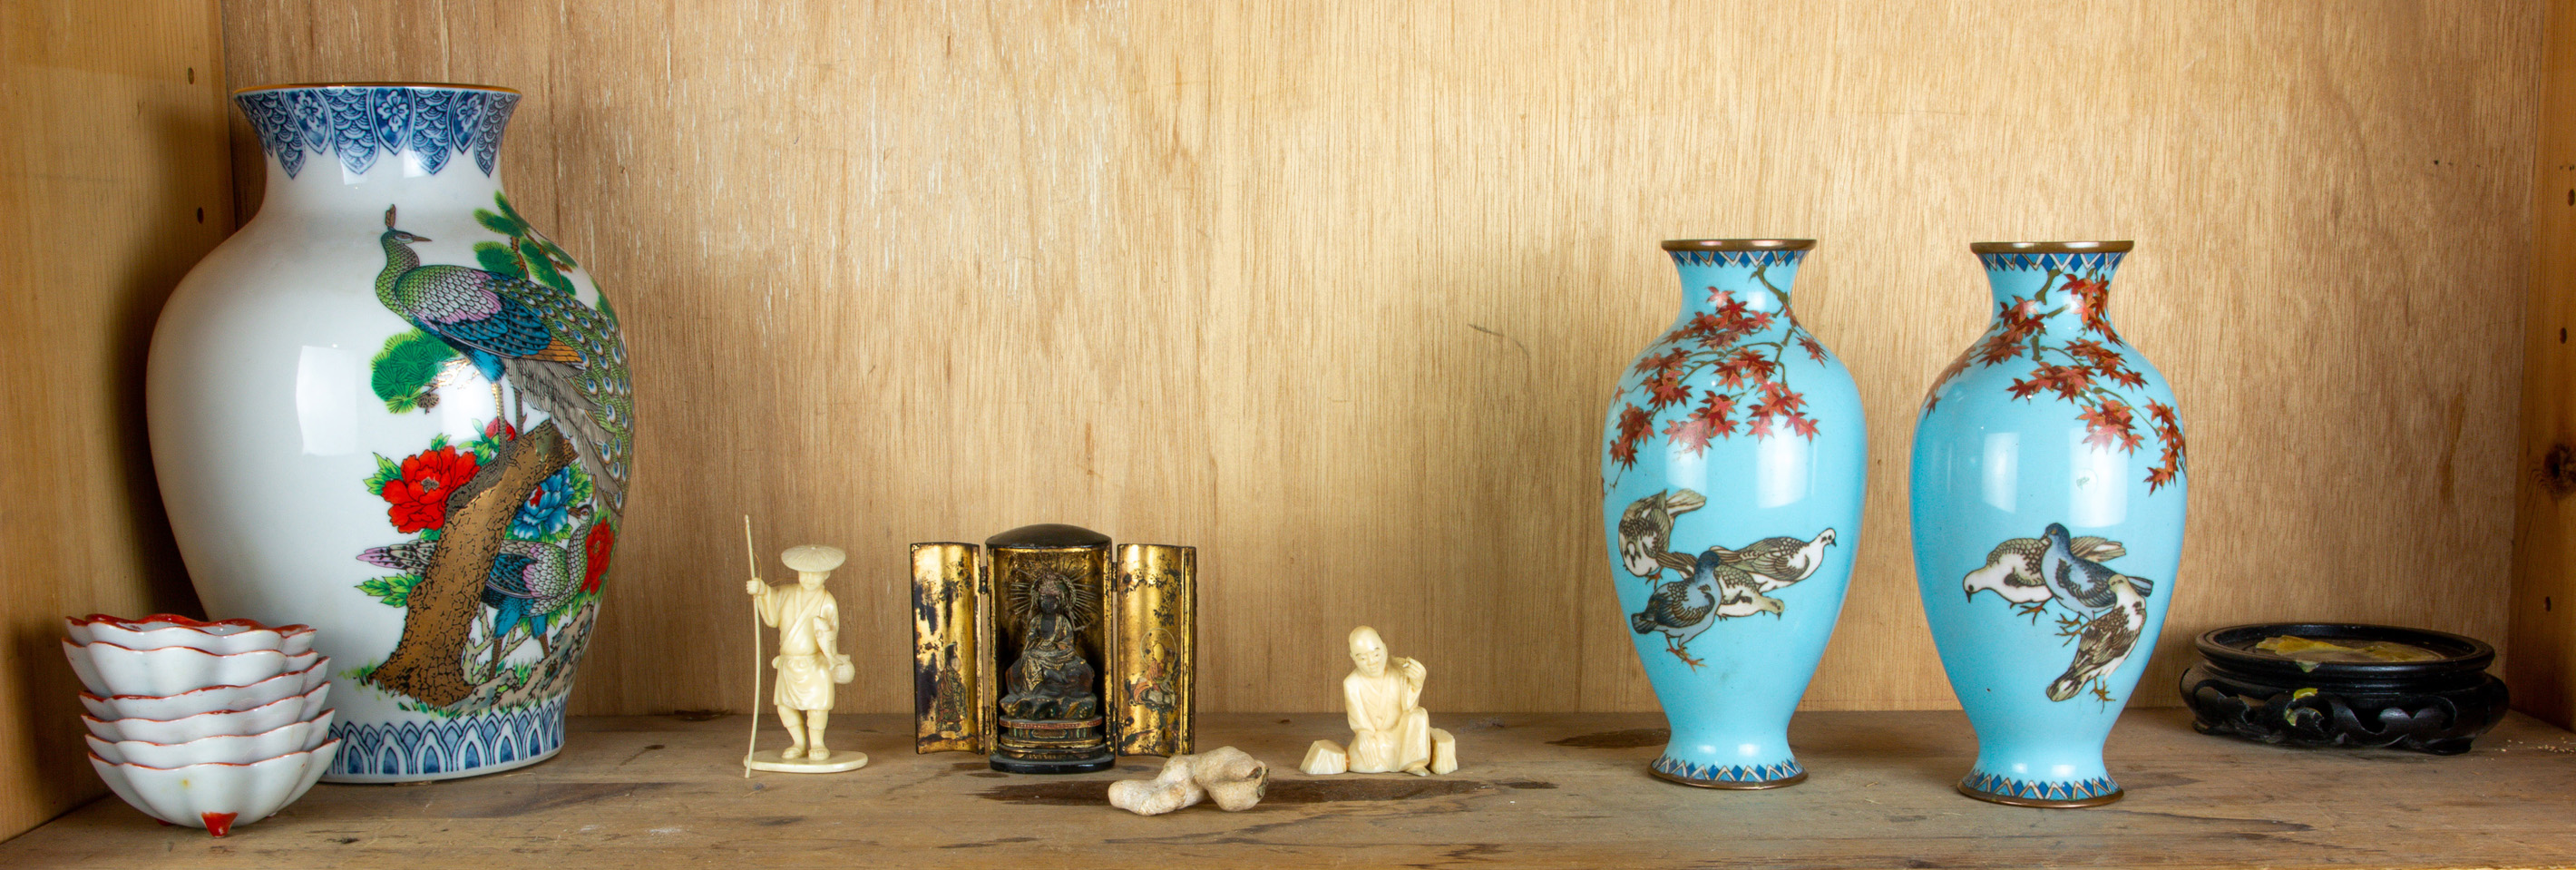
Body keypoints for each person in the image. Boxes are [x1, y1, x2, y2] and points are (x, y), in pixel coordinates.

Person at [746, 544, 855, 760]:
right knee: (784, 706)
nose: (808, 579)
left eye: (814, 575)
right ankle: (798, 743)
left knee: (818, 707)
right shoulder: (786, 592)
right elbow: (772, 610)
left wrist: (830, 650)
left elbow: (831, 632)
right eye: (804, 574)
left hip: (814, 663)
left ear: (826, 575)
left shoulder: (827, 601)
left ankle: (817, 743)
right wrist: (761, 590)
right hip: (789, 662)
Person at [1341, 626, 1433, 775]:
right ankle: (1396, 758)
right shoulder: (1352, 683)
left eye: (1376, 654)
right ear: (1353, 657)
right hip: (1378, 738)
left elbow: (1409, 708)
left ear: (1385, 648)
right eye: (1362, 658)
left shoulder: (1399, 668)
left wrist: (1416, 684)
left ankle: (1413, 764)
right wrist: (1363, 733)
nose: (1371, 662)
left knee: (1419, 714)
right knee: (1361, 759)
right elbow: (1360, 721)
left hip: (1401, 733)